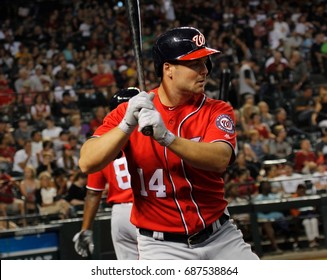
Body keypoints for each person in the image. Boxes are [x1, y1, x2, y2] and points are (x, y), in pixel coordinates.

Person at [79, 27, 259, 260]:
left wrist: (167, 138)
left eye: (205, 62)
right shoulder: (131, 112)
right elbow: (87, 162)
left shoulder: (216, 109)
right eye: (195, 64)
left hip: (221, 237)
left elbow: (220, 159)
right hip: (161, 246)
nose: (205, 70)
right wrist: (125, 125)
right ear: (169, 69)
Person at [73, 87, 139, 260]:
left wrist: (86, 228)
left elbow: (93, 193)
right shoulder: (147, 135)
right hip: (146, 207)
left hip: (119, 215)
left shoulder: (102, 144)